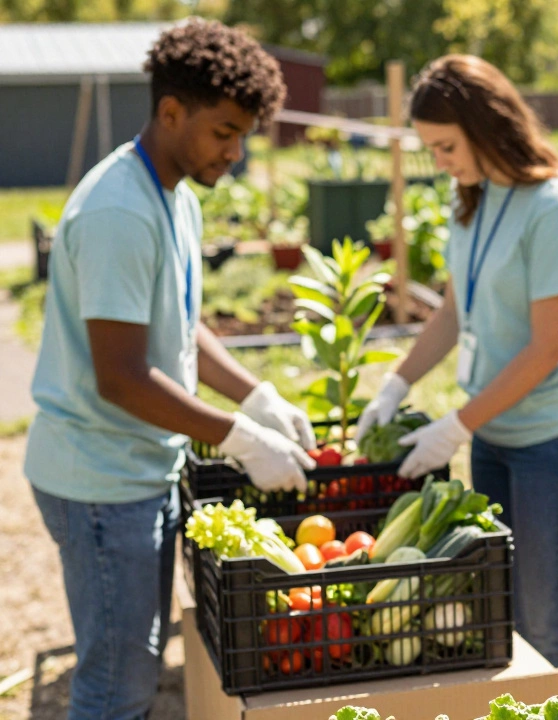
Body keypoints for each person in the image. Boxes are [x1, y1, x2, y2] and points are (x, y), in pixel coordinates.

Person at [25, 19, 316, 720]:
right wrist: (241, 437)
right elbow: (120, 376)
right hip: (101, 483)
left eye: (244, 135)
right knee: (115, 685)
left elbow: (177, 328)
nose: (236, 153)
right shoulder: (119, 211)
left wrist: (259, 395)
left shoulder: (173, 195)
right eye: (224, 132)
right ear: (170, 112)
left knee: (136, 666)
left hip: (134, 469)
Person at [355, 55, 558, 707]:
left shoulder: (555, 208)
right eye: (429, 149)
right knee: (508, 612)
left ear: (485, 127)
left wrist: (455, 424)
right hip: (494, 433)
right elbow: (452, 309)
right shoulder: (471, 199)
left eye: (444, 146)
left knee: (550, 615)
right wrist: (394, 385)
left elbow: (548, 349)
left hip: (553, 440)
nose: (438, 160)